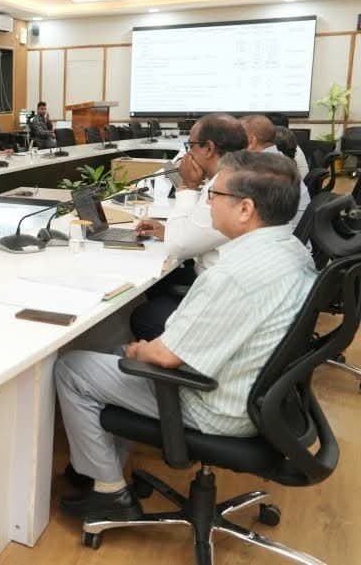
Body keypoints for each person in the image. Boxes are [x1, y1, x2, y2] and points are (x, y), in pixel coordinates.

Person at [55, 150, 316, 521]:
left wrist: (139, 350)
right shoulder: (292, 250)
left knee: (73, 368)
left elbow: (165, 357)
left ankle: (110, 493)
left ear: (245, 209)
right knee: (115, 352)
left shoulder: (232, 275)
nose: (208, 202)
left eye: (214, 194)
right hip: (263, 396)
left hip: (219, 407)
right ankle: (97, 469)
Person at [130, 114, 248, 340]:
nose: (187, 154)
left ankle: (168, 353)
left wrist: (188, 186)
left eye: (190, 145)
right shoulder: (239, 175)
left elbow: (179, 246)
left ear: (208, 149)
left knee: (144, 315)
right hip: (227, 285)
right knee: (160, 283)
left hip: (220, 299)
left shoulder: (225, 187)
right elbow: (200, 230)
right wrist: (169, 232)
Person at [240, 114, 310, 228]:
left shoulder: (263, 169)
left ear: (251, 141)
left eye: (238, 138)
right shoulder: (277, 159)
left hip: (284, 234)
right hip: (292, 231)